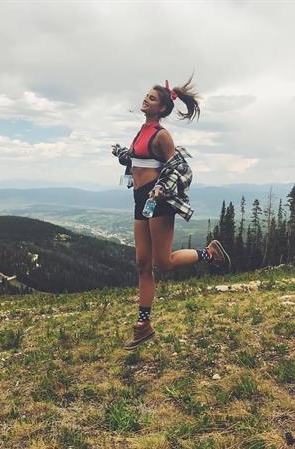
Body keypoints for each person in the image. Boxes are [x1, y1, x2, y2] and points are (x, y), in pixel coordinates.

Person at [112, 77, 231, 350]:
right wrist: (122, 154)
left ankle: (209, 254)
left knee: (163, 263)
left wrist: (162, 188)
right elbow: (138, 160)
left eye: (152, 99)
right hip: (140, 199)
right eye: (146, 96)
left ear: (162, 108)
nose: (146, 100)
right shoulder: (142, 131)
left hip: (159, 200)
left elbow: (182, 169)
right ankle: (143, 326)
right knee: (143, 263)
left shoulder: (161, 135)